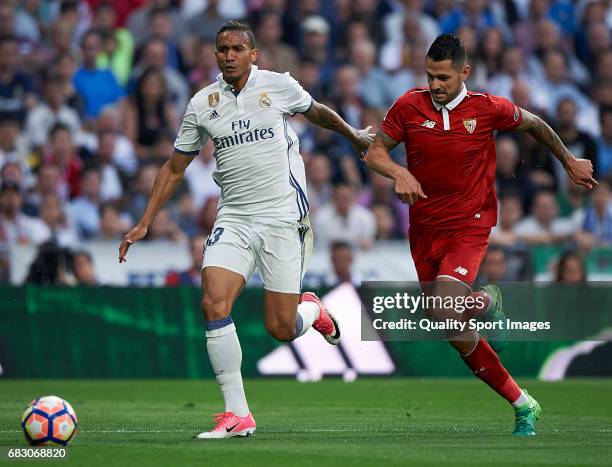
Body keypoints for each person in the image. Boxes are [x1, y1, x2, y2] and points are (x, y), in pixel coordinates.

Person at [118, 21, 373, 439]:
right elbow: (174, 166)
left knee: (281, 327)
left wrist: (354, 135)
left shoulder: (278, 85)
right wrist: (144, 222)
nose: (230, 54)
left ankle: (313, 311)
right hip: (234, 217)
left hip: (281, 217)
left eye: (238, 48)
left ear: (254, 54)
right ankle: (237, 413)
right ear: (215, 55)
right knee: (213, 303)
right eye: (223, 49)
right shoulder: (203, 103)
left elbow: (318, 112)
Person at [364, 34, 597, 436]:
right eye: (430, 76)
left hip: (469, 223)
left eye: (443, 77)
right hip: (424, 229)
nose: (435, 85)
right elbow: (375, 152)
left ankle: (486, 300)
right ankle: (523, 402)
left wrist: (568, 160)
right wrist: (398, 171)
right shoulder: (408, 105)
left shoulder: (487, 108)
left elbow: (536, 124)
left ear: (464, 73)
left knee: (442, 308)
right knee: (452, 328)